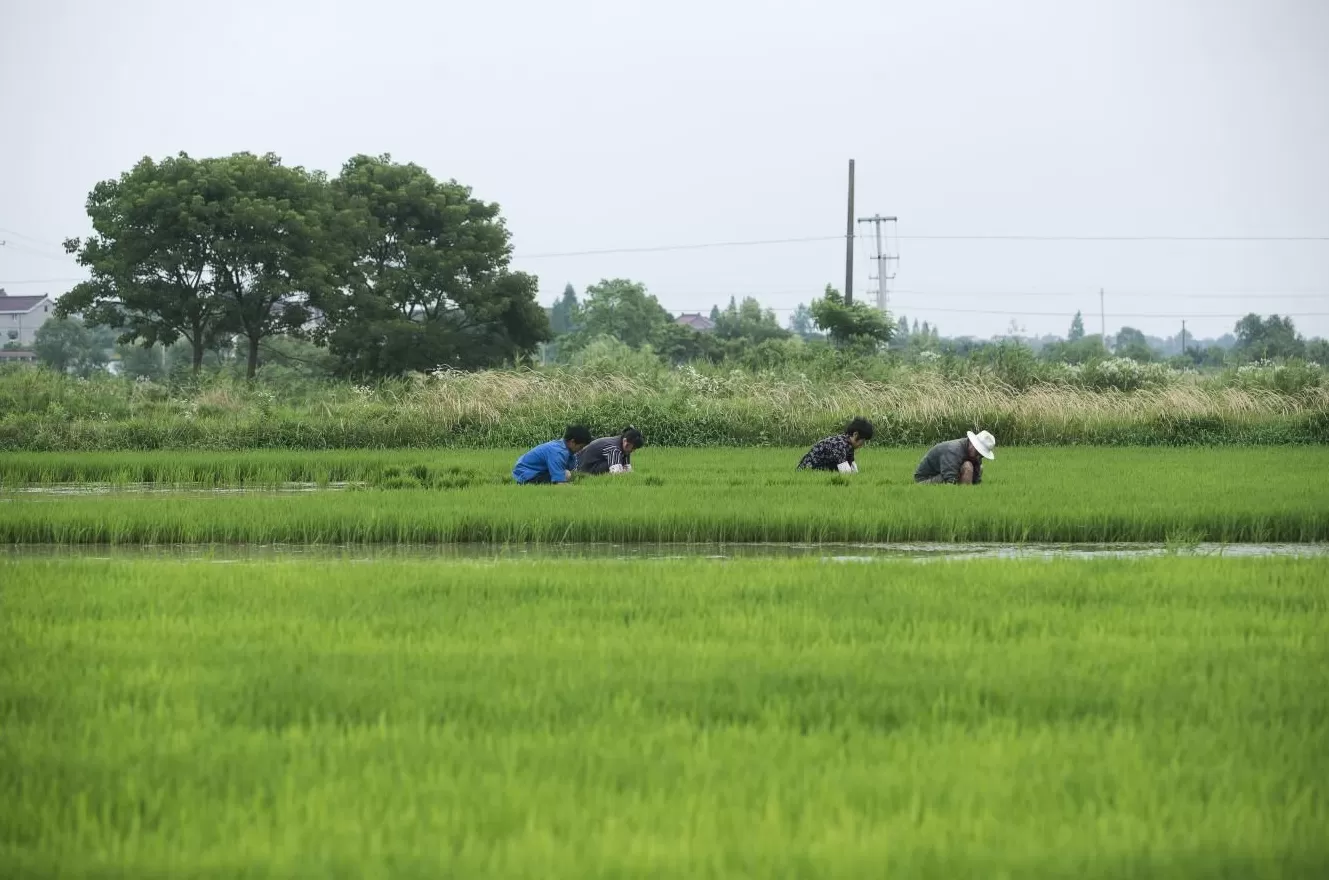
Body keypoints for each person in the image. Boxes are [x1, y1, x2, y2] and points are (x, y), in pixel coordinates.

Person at [512, 425, 593, 485]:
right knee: (566, 475)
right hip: (526, 475)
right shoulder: (558, 452)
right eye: (580, 447)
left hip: (533, 472)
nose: (581, 450)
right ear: (572, 442)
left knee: (568, 475)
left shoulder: (565, 449)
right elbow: (560, 482)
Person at [913, 430, 996, 485]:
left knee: (980, 467)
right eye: (978, 452)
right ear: (972, 444)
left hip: (942, 475)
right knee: (967, 466)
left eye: (981, 455)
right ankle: (964, 496)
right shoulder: (954, 450)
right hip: (925, 480)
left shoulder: (974, 454)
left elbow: (976, 478)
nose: (979, 456)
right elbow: (950, 479)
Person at [797, 417, 874, 473]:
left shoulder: (848, 445)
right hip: (807, 471)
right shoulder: (839, 445)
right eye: (862, 440)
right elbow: (846, 472)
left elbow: (853, 469)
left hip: (818, 471)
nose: (862, 444)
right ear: (855, 434)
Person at [578, 426, 645, 476]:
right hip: (584, 467)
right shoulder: (614, 449)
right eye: (633, 447)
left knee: (620, 464)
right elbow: (617, 473)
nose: (633, 450)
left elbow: (628, 470)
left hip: (594, 464)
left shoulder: (624, 448)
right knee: (616, 466)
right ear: (625, 442)